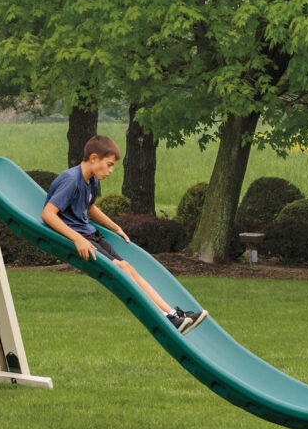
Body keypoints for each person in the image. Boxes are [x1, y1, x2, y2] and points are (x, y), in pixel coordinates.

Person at [41, 134, 208, 335]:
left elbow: (90, 208)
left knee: (128, 267)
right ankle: (165, 318)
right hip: (81, 238)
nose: (111, 171)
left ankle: (173, 314)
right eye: (109, 165)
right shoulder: (71, 180)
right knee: (122, 270)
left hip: (91, 234)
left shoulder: (91, 180)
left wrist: (115, 227)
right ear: (93, 158)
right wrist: (76, 239)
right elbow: (48, 214)